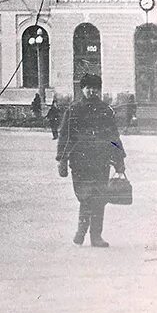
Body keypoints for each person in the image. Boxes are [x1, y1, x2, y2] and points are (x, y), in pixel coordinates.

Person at [56, 73, 125, 247]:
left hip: (101, 161)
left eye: (95, 88)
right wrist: (62, 160)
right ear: (82, 89)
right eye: (88, 88)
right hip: (80, 162)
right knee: (85, 197)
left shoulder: (105, 110)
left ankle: (96, 236)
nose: (92, 91)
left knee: (99, 198)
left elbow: (113, 137)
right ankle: (81, 231)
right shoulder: (73, 110)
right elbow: (65, 136)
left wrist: (119, 160)